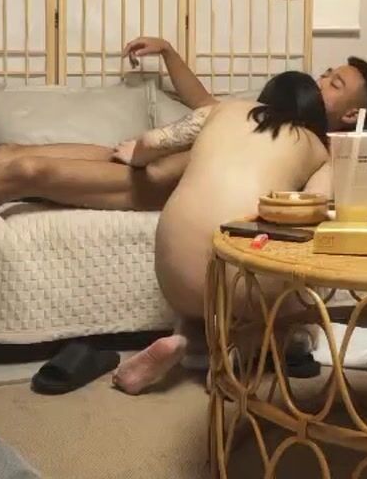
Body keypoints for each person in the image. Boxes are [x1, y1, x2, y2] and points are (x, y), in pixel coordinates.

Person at [0, 36, 367, 211]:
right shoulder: (272, 116)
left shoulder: (326, 154)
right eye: (327, 72)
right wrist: (169, 52)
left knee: (26, 171)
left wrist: (147, 155)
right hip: (143, 159)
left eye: (335, 83)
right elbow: (205, 107)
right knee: (10, 151)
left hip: (159, 185)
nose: (320, 79)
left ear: (352, 115)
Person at [110, 72, 331, 394]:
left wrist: (135, 156)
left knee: (203, 301)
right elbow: (314, 210)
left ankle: (185, 340)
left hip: (174, 270)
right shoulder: (318, 149)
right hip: (238, 277)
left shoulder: (222, 110)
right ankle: (239, 350)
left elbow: (151, 142)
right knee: (293, 300)